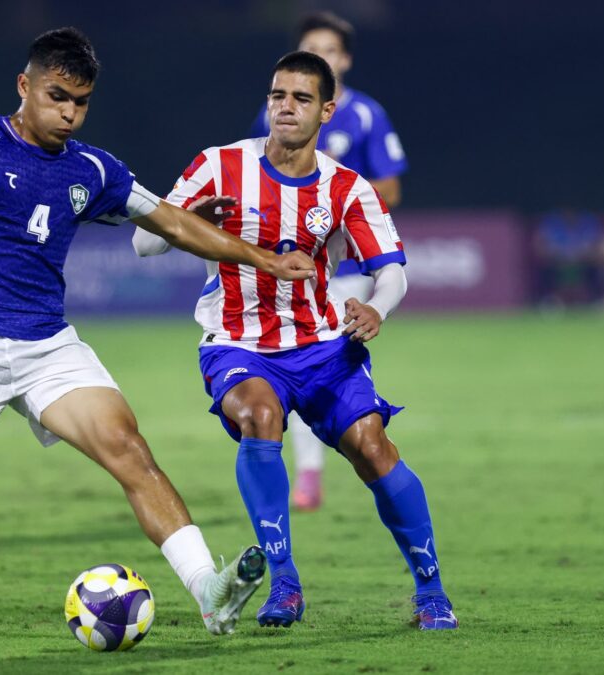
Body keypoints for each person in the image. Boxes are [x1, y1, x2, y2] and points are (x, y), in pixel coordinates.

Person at [0, 27, 317, 634]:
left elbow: (174, 223)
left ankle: (208, 591)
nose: (70, 113)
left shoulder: (91, 168)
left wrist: (265, 260)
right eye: (57, 97)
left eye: (80, 102)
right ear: (24, 87)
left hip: (44, 345)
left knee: (129, 449)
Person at [133, 51, 457, 630]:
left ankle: (431, 591)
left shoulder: (347, 188)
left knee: (373, 447)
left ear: (327, 110)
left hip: (322, 345)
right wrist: (192, 222)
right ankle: (284, 583)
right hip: (237, 342)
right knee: (260, 414)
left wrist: (376, 309)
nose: (285, 107)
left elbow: (393, 270)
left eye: (301, 98)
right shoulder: (219, 164)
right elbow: (143, 245)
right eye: (277, 95)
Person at [249, 11, 409, 511]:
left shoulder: (365, 115)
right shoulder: (274, 113)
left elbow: (391, 188)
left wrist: (337, 195)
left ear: (345, 60)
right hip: (291, 267)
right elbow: (257, 176)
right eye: (311, 47)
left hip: (344, 269)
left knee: (324, 369)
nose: (322, 55)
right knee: (295, 367)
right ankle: (311, 474)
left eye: (330, 49)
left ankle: (360, 451)